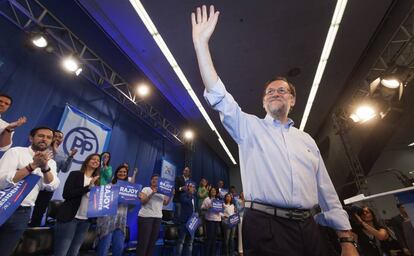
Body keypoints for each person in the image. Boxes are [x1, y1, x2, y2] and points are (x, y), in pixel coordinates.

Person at [191, 5, 358, 256]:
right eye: (270, 91)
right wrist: (201, 45)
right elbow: (218, 95)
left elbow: (325, 189)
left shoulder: (307, 140)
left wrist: (346, 239)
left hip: (310, 228)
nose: (275, 93)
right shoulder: (249, 127)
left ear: (292, 101)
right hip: (266, 228)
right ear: (263, 102)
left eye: (282, 90)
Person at [0, 126, 59, 255]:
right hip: (2, 205)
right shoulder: (16, 152)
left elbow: (51, 185)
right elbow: (1, 181)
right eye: (41, 136)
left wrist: (44, 167)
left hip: (22, 212)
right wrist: (32, 166)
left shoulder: (51, 163)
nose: (45, 139)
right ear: (31, 138)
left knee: (5, 251)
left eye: (49, 137)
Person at [54, 153, 100, 256]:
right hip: (70, 218)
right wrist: (88, 187)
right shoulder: (75, 174)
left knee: (74, 252)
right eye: (93, 159)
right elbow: (66, 194)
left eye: (98, 160)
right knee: (61, 252)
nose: (96, 161)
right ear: (87, 161)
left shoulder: (98, 181)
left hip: (85, 221)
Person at [30, 129, 78, 227]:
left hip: (47, 185)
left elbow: (64, 169)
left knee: (39, 211)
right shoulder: (41, 148)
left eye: (60, 137)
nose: (57, 138)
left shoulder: (61, 154)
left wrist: (70, 157)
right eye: (55, 136)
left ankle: (32, 231)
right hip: (33, 181)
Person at [96, 165, 135, 256]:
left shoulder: (129, 189)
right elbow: (101, 203)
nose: (122, 173)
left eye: (124, 172)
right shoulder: (109, 186)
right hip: (107, 221)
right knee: (104, 249)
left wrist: (136, 198)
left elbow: (131, 207)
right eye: (120, 171)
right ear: (116, 173)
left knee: (118, 248)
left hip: (120, 222)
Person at [136, 174, 172, 256]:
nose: (155, 180)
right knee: (143, 242)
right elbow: (143, 201)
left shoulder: (162, 192)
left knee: (152, 243)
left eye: (157, 179)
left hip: (158, 218)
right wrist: (152, 193)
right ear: (151, 181)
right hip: (146, 217)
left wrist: (170, 195)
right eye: (153, 179)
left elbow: (165, 203)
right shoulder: (146, 189)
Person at [176, 182, 196, 256]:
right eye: (191, 187)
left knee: (190, 243)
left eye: (193, 187)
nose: (193, 188)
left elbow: (194, 208)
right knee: (181, 241)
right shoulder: (183, 195)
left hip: (192, 222)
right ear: (188, 188)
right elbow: (185, 201)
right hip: (184, 221)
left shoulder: (194, 197)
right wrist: (190, 195)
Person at [201, 187, 222, 256]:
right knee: (209, 239)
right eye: (212, 190)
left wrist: (223, 214)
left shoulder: (218, 200)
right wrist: (208, 207)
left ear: (216, 192)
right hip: (210, 221)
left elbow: (220, 211)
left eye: (214, 190)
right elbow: (202, 208)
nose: (213, 191)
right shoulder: (207, 199)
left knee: (214, 239)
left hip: (217, 221)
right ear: (210, 192)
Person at [235, 191, 245, 256]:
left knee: (246, 234)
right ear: (240, 194)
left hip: (247, 218)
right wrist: (243, 203)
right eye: (242, 193)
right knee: (240, 234)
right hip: (240, 218)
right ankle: (240, 250)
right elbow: (239, 209)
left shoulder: (248, 201)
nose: (243, 194)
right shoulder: (237, 200)